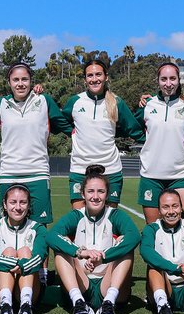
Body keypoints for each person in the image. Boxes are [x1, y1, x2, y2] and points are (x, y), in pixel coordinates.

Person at [46, 165, 140, 314]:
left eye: (100, 192)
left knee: (126, 248)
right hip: (82, 283)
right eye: (91, 191)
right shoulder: (76, 215)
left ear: (107, 194)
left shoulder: (115, 215)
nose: (95, 197)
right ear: (83, 193)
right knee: (61, 251)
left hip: (108, 283)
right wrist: (80, 252)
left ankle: (108, 304)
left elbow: (134, 236)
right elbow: (51, 236)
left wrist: (104, 257)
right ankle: (78, 303)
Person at [0, 63, 72, 226]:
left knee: (39, 228)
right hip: (9, 173)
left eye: (24, 79)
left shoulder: (43, 101)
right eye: (15, 80)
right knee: (5, 228)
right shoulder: (1, 104)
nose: (20, 83)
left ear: (31, 81)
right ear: (9, 82)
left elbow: (66, 126)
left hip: (38, 173)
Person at [62, 58, 145, 208]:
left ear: (106, 77)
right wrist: (72, 132)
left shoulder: (117, 102)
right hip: (80, 168)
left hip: (110, 169)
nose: (94, 79)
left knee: (108, 222)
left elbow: (134, 129)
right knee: (80, 221)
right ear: (85, 79)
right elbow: (60, 121)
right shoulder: (75, 101)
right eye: (90, 75)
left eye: (98, 75)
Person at [134, 62, 184, 223]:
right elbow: (131, 128)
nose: (168, 83)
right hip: (151, 176)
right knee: (154, 230)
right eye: (164, 79)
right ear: (158, 81)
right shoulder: (147, 105)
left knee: (181, 228)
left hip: (180, 176)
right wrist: (149, 140)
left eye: (173, 78)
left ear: (179, 80)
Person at [0, 183, 48, 314]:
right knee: (9, 251)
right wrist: (17, 263)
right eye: (13, 202)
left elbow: (39, 257)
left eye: (23, 202)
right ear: (5, 205)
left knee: (25, 251)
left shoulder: (38, 229)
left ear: (28, 205)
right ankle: (5, 306)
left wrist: (23, 265)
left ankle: (26, 306)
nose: (18, 207)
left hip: (29, 290)